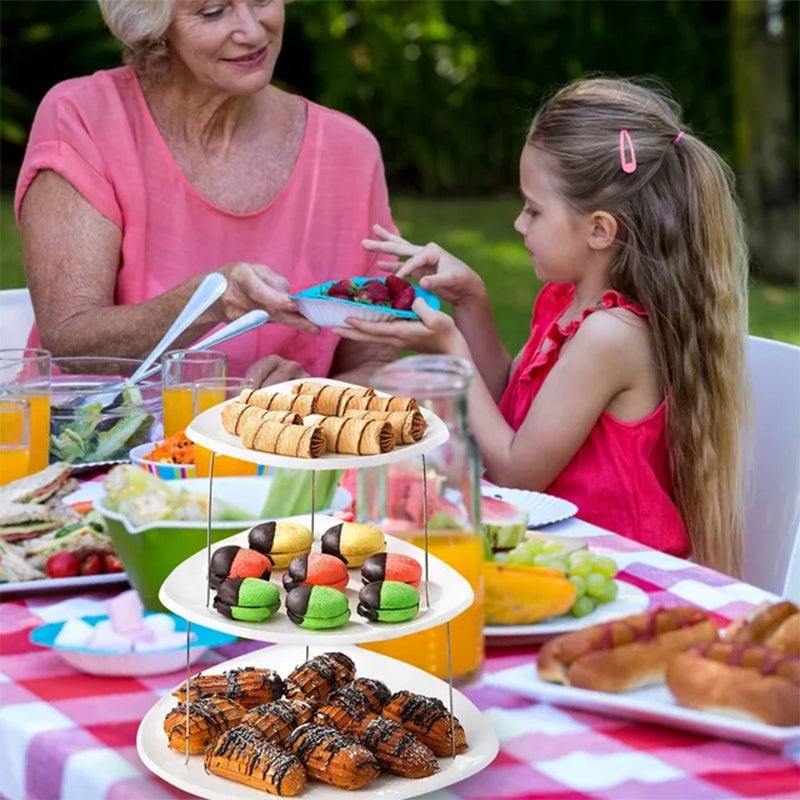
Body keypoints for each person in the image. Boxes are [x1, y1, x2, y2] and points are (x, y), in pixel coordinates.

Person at [335, 77, 749, 577]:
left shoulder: (611, 335)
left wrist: (449, 345)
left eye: (534, 209)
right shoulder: (566, 303)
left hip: (624, 573)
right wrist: (471, 303)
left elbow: (516, 469)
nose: (518, 223)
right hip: (552, 558)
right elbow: (506, 410)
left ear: (600, 229)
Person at [14, 0, 398, 385]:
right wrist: (208, 301)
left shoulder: (349, 151)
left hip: (274, 443)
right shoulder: (85, 117)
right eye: (213, 11)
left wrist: (312, 394)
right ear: (156, 25)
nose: (251, 31)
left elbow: (377, 363)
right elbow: (70, 340)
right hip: (97, 437)